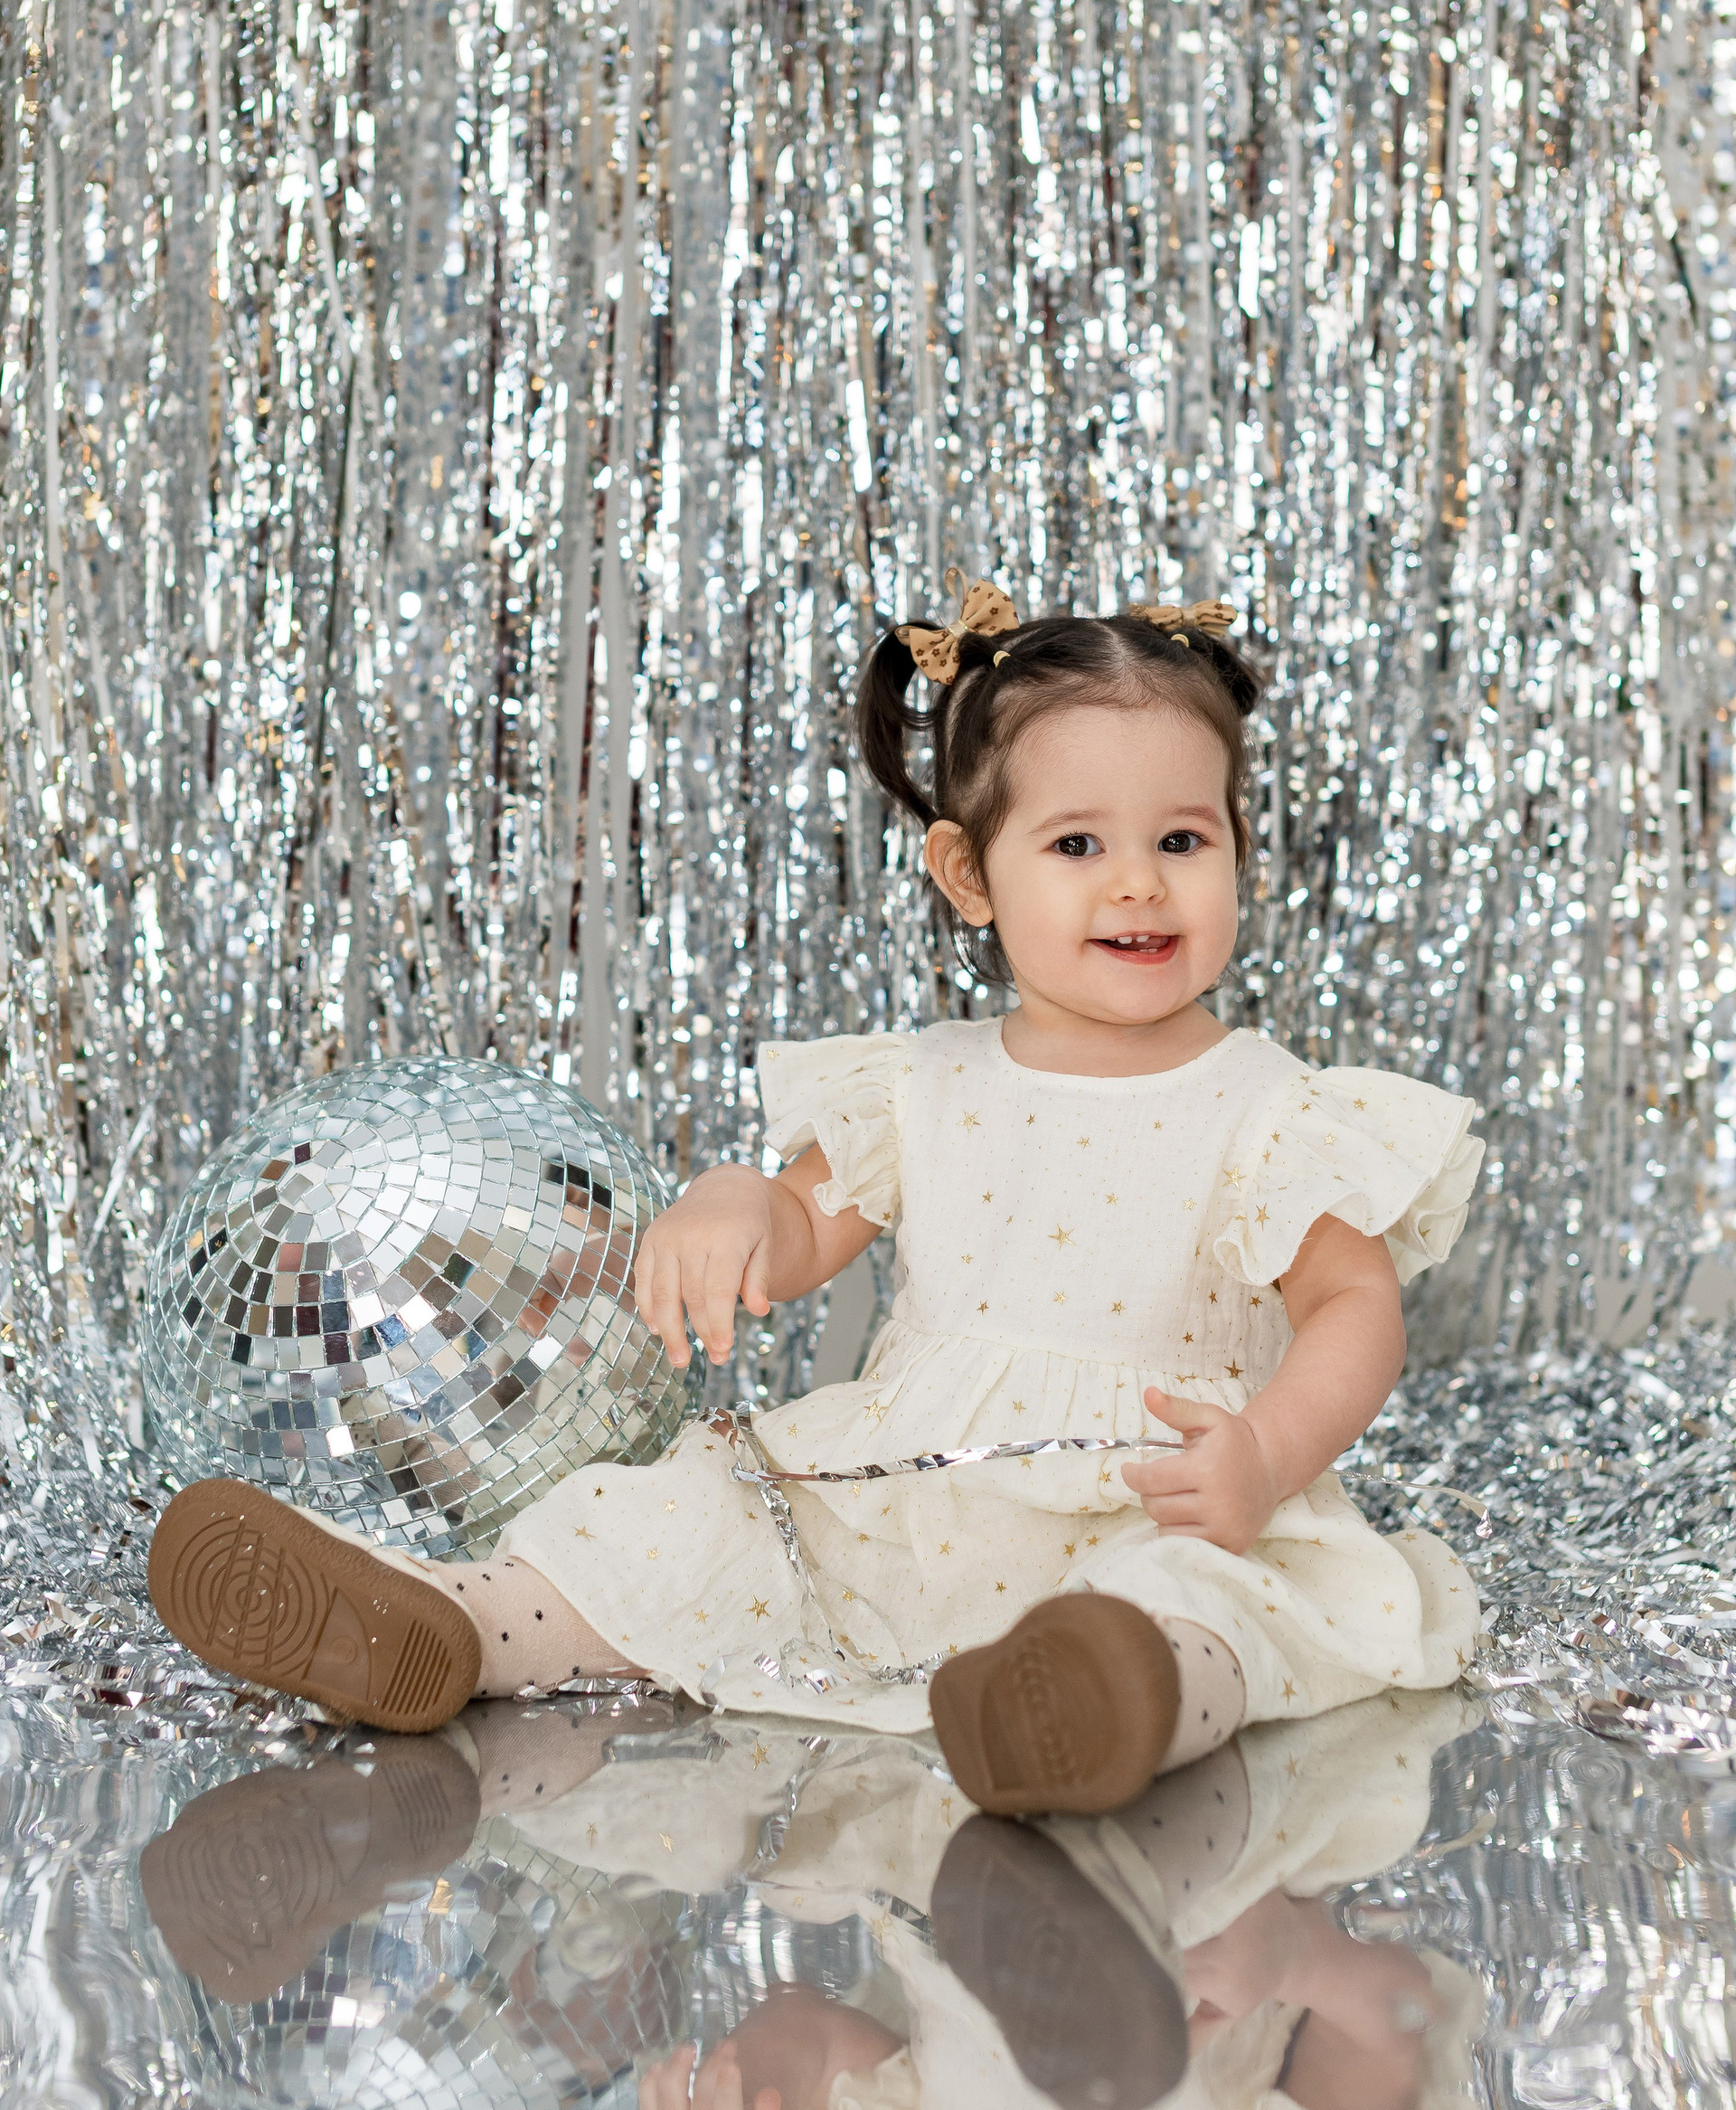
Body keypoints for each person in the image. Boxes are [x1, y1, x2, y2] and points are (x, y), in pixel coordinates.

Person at [147, 581, 1484, 1818]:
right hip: (904, 1501)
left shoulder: (1277, 1108)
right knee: (692, 1517)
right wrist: (734, 1202)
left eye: (1182, 839)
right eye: (1078, 842)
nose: (1139, 881)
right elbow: (795, 1237)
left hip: (1161, 1494)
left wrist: (1266, 1458)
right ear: (969, 876)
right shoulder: (920, 1084)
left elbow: (1352, 1310)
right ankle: (458, 1621)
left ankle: (1102, 1696)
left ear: (1241, 851)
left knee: (1212, 1604)